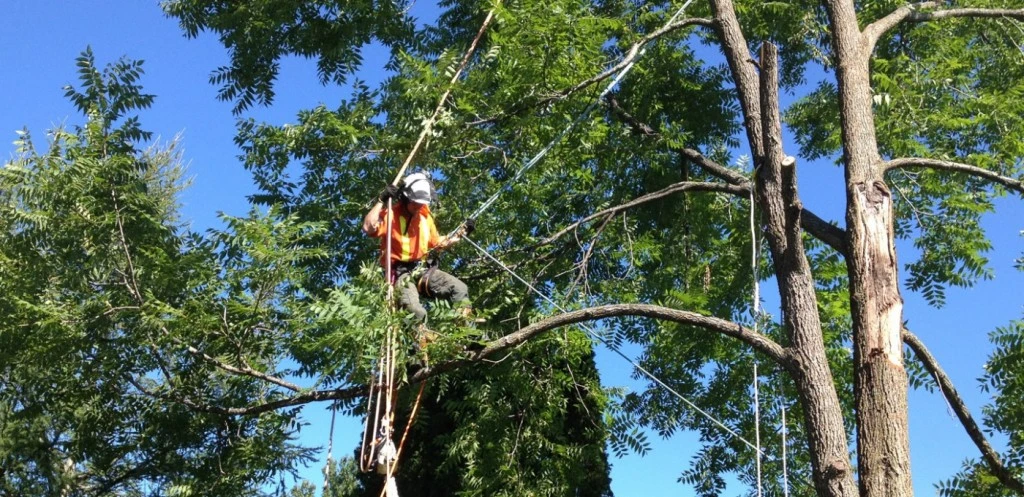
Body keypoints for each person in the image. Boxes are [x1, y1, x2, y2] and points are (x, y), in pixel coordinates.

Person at [362, 172, 477, 326]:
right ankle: (419, 346)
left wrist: (462, 233)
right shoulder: (391, 214)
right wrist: (381, 201)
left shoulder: (425, 217)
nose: (418, 206)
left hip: (422, 270)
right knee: (416, 312)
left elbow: (437, 242)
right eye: (415, 202)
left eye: (421, 203)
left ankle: (468, 334)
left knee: (459, 288)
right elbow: (369, 227)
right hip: (400, 273)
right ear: (406, 198)